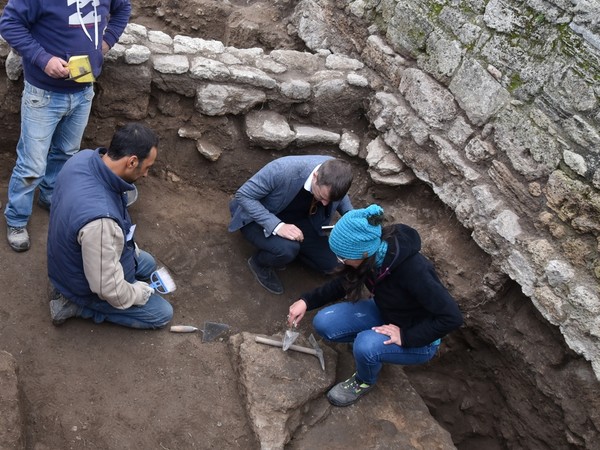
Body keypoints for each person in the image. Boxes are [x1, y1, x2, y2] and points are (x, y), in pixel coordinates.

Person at [286, 204, 463, 407]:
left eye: (343, 257)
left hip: (418, 336)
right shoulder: (371, 254)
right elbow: (344, 282)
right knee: (324, 322)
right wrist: (306, 301)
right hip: (387, 312)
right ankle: (373, 348)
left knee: (365, 345)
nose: (339, 260)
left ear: (362, 254)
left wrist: (406, 337)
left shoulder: (414, 271)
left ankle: (364, 380)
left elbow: (452, 317)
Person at [0, 0, 132, 252]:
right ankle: (16, 219)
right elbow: (9, 24)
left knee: (66, 152)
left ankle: (50, 196)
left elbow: (123, 7)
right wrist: (43, 58)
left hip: (83, 90)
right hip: (43, 94)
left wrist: (107, 41)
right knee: (32, 162)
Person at [46, 123, 173, 329]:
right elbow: (108, 289)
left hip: (67, 257)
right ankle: (77, 305)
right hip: (81, 283)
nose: (146, 174)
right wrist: (137, 294)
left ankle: (73, 290)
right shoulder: (101, 221)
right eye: (147, 167)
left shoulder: (83, 158)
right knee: (162, 314)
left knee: (148, 263)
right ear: (132, 161)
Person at [228, 155, 354, 295]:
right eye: (323, 197)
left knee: (333, 265)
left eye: (330, 199)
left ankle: (295, 250)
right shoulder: (282, 170)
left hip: (301, 220)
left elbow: (342, 197)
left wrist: (351, 216)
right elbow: (244, 195)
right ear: (315, 176)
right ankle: (259, 263)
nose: (325, 204)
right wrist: (277, 226)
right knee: (287, 250)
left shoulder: (336, 171)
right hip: (259, 218)